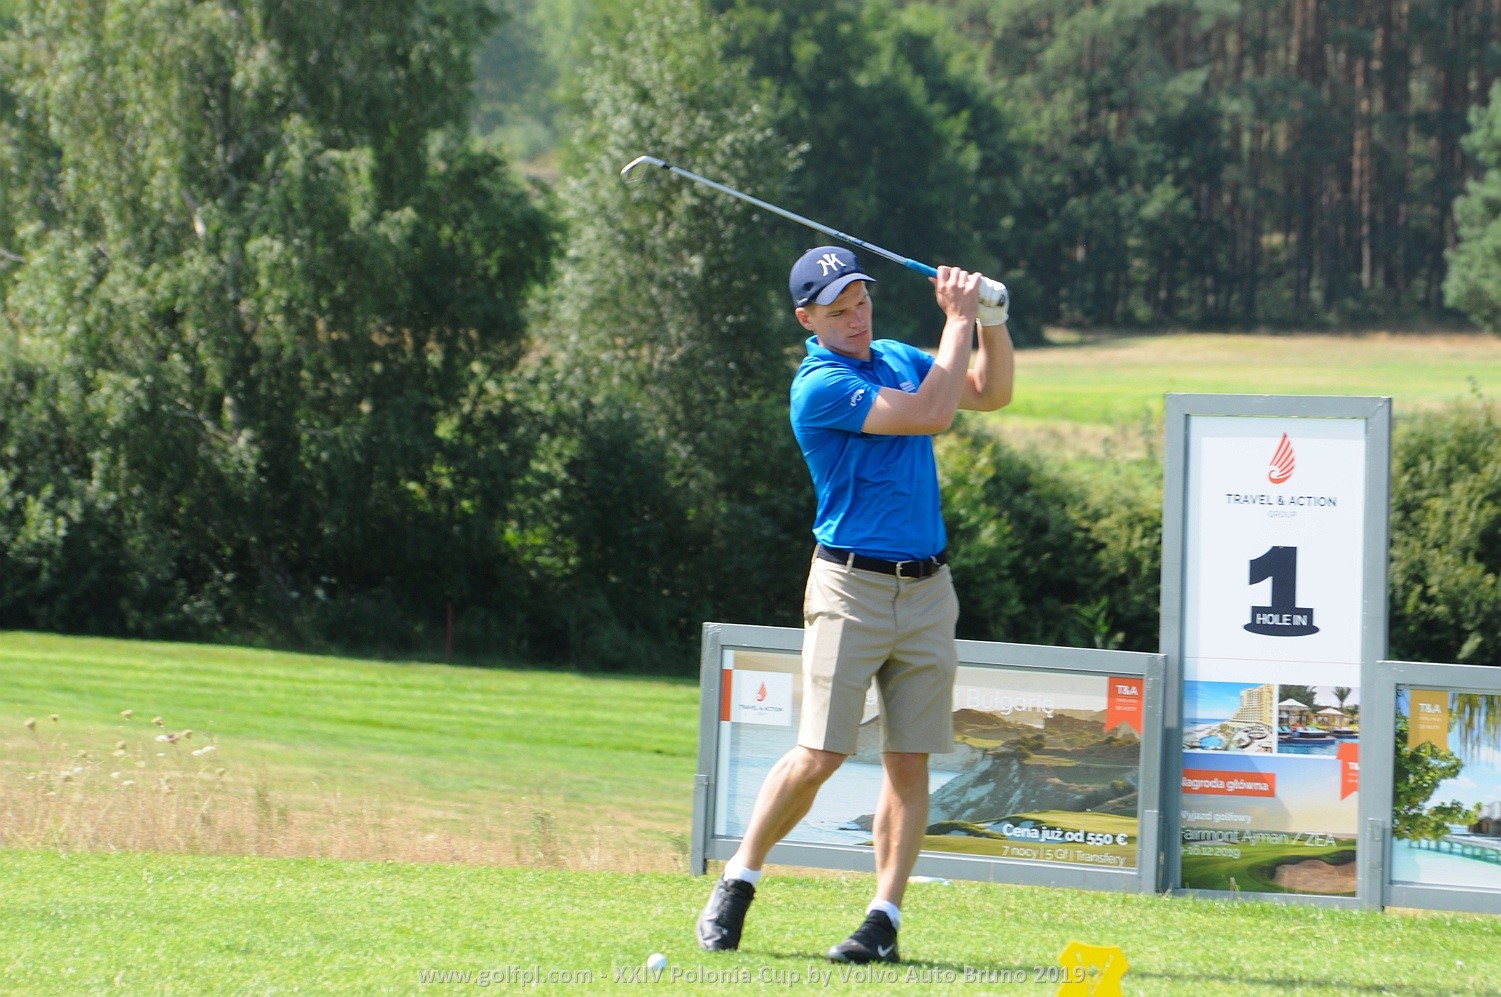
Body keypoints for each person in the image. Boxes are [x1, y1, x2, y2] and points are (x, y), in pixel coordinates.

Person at [696, 245, 1014, 964]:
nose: (856, 319)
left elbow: (987, 393)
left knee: (909, 760)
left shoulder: (898, 355)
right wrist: (958, 318)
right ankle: (740, 878)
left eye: (862, 302)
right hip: (850, 587)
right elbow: (933, 412)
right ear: (807, 319)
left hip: (927, 588)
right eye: (838, 311)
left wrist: (992, 321)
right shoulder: (820, 385)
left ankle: (882, 921)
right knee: (822, 751)